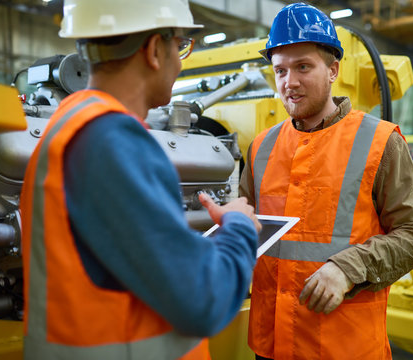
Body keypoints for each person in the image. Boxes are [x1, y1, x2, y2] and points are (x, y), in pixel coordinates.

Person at [19, 0, 261, 359]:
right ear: (153, 49)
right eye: (180, 46)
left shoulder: (70, 124)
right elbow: (202, 300)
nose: (180, 62)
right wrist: (239, 228)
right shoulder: (111, 142)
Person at [238, 3, 413, 359]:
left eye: (303, 67)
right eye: (280, 70)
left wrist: (349, 268)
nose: (290, 82)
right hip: (270, 344)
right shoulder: (260, 147)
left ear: (333, 70)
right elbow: (248, 232)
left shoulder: (379, 142)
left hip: (344, 345)